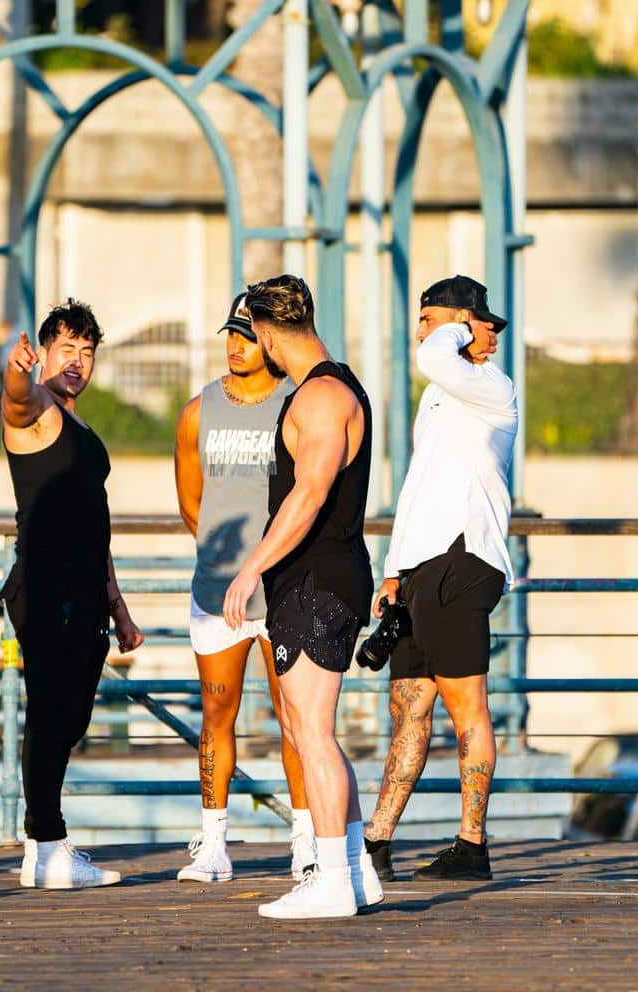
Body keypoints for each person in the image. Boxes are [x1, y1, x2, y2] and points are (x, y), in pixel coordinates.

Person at [222, 275, 384, 919]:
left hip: (319, 580)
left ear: (264, 332)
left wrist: (249, 568)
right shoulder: (331, 385)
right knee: (303, 726)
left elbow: (310, 493)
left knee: (311, 731)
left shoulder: (320, 397)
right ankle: (354, 870)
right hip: (314, 580)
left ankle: (331, 882)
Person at [363, 275, 516, 883]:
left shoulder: (491, 387)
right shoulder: (438, 394)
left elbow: (433, 352)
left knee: (466, 709)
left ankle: (471, 844)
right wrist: (395, 569)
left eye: (433, 319)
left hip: (465, 559)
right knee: (409, 708)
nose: (422, 331)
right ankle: (375, 840)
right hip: (422, 564)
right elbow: (418, 485)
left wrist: (463, 324)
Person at [0, 299, 144, 889]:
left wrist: (119, 606)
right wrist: (15, 371)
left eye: (87, 352)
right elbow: (13, 398)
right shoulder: (37, 412)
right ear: (44, 354)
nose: (78, 362)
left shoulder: (82, 427)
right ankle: (51, 843)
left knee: (72, 716)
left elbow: (97, 522)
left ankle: (40, 847)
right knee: (51, 714)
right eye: (66, 350)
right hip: (45, 584)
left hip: (85, 591)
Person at [172, 293, 314, 883]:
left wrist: (266, 559)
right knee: (216, 714)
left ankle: (307, 843)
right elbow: (190, 502)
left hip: (283, 591)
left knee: (297, 717)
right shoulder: (197, 411)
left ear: (271, 339)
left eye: (247, 334)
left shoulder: (298, 404)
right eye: (229, 333)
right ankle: (213, 846)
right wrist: (227, 560)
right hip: (217, 592)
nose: (234, 344)